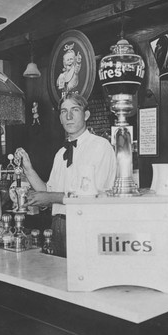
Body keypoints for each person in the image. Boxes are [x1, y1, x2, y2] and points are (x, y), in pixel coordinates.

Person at [15, 92, 116, 257]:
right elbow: (47, 192)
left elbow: (93, 196)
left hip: (86, 224)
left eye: (75, 110)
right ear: (60, 118)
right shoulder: (60, 153)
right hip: (58, 227)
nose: (69, 116)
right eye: (63, 111)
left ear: (86, 115)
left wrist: (51, 198)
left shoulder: (101, 147)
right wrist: (28, 169)